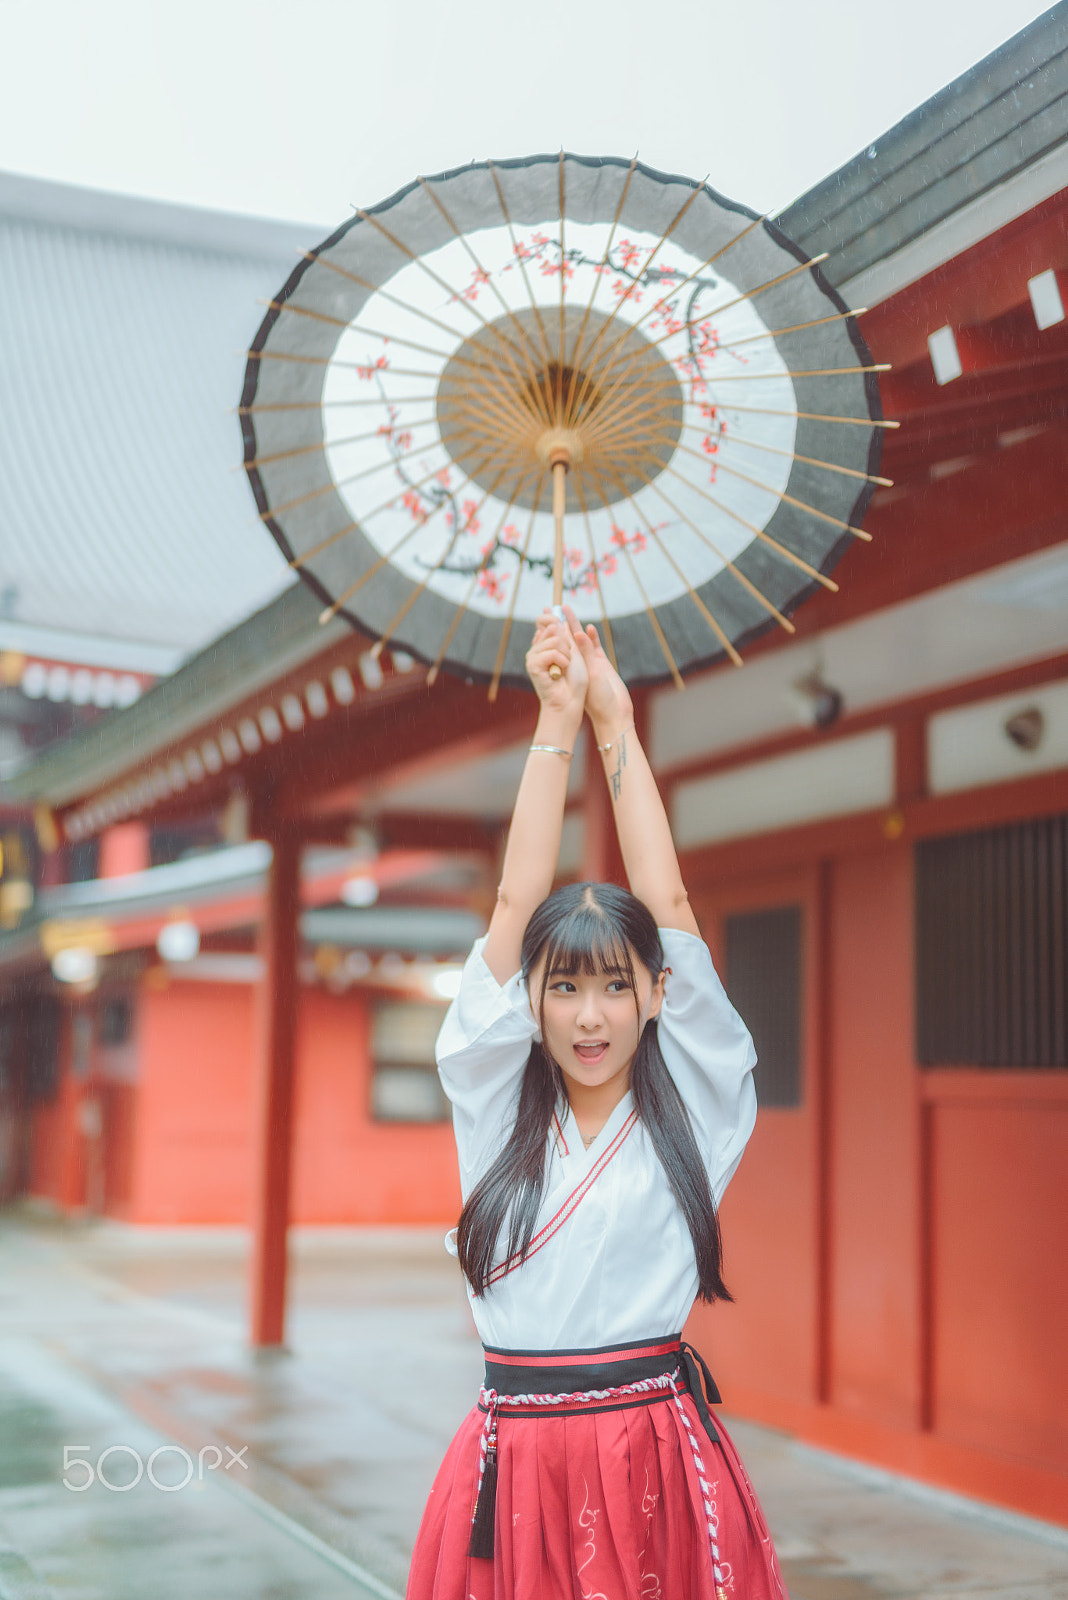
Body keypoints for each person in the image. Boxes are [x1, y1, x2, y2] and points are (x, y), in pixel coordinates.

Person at [406, 607, 787, 1600]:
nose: (591, 1015)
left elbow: (671, 912)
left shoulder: (696, 1113)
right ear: (527, 1002)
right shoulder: (491, 1103)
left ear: (658, 995)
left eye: (618, 986)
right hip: (513, 1457)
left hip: (650, 1450)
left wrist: (616, 728)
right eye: (564, 987)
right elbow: (510, 902)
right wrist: (555, 723)